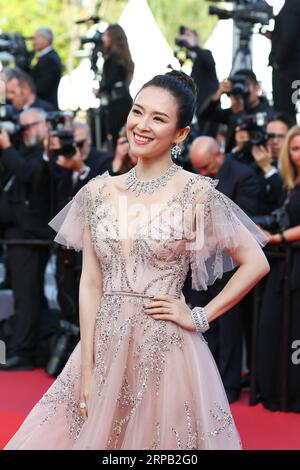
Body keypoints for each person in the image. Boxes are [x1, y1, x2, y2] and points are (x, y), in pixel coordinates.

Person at [4, 71, 269, 450]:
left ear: (180, 134)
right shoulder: (98, 191)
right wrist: (88, 369)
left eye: (159, 118)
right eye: (137, 112)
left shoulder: (196, 193)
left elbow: (256, 262)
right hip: (103, 348)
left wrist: (199, 316)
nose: (142, 126)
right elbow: (91, 282)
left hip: (167, 351)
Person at [186, 136, 259, 402]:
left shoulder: (243, 175)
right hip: (198, 264)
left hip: (230, 266)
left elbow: (246, 222)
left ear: (219, 154)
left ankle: (229, 387)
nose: (202, 173)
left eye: (206, 166)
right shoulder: (194, 178)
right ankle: (205, 380)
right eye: (198, 168)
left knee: (229, 329)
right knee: (201, 328)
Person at [0, 108, 52, 371]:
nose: (25, 131)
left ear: (44, 125)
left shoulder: (45, 152)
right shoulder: (22, 150)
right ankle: (29, 346)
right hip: (16, 235)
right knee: (28, 295)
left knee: (27, 296)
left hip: (30, 237)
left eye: (29, 126)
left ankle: (23, 352)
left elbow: (28, 175)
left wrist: (7, 147)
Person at [257, 125, 300, 412]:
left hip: (293, 261)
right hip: (285, 264)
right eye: (295, 148)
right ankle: (278, 390)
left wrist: (277, 237)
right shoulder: (291, 184)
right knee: (274, 327)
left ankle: (293, 395)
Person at [98, 24, 134, 149]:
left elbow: (111, 81)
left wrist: (99, 90)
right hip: (124, 101)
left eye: (106, 35)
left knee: (118, 140)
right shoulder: (122, 57)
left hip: (116, 104)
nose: (103, 38)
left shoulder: (113, 58)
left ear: (112, 37)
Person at [268, 0, 300, 121]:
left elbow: (289, 36)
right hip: (292, 68)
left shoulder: (292, 5)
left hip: (287, 70)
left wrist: (278, 62)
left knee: (284, 115)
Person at [31, 27, 62, 109]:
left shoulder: (49, 59)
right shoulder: (48, 57)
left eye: (36, 38)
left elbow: (42, 88)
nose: (33, 42)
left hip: (45, 108)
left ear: (46, 40)